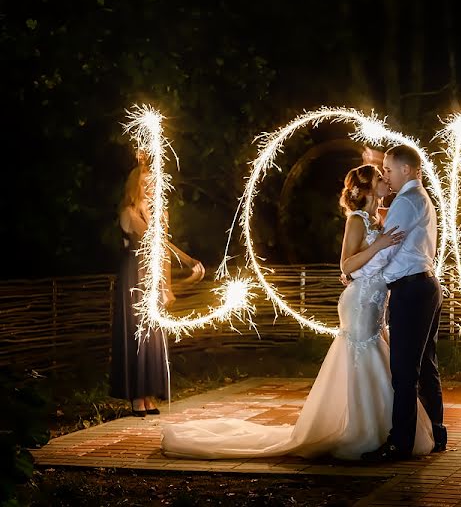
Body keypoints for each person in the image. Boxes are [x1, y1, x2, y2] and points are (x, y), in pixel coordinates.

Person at [161, 164, 436, 459]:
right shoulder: (356, 220)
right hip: (359, 302)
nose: (385, 182)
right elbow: (346, 265)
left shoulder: (378, 219)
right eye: (379, 179)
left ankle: (381, 429)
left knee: (377, 355)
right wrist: (377, 247)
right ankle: (360, 430)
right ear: (366, 189)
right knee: (362, 356)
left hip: (377, 299)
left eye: (385, 176)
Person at [361, 144, 447, 462]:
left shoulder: (407, 201)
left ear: (406, 170)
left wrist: (358, 271)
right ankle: (436, 432)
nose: (385, 174)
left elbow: (387, 250)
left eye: (388, 169)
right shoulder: (420, 199)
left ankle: (400, 443)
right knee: (426, 365)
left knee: (404, 371)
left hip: (412, 291)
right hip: (425, 285)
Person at [110, 151, 205, 416]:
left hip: (151, 277)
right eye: (145, 183)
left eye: (154, 183)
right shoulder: (128, 213)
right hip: (135, 277)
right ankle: (136, 396)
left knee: (152, 336)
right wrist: (187, 260)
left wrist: (167, 285)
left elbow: (162, 250)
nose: (151, 188)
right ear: (135, 186)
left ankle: (149, 394)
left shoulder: (156, 213)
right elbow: (154, 241)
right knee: (137, 333)